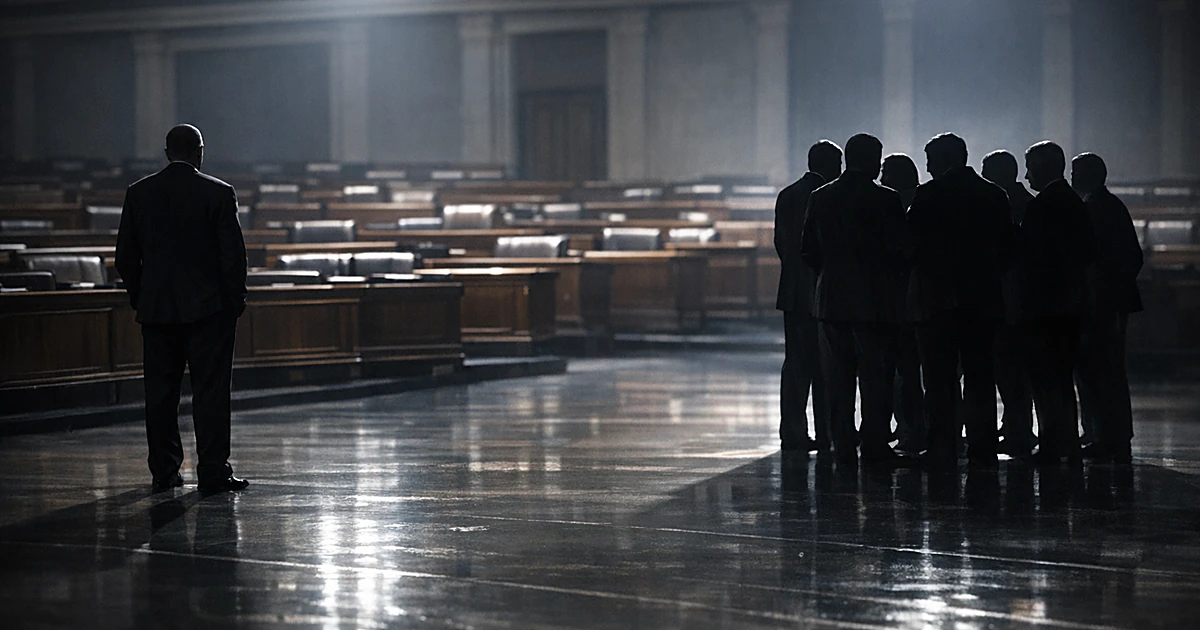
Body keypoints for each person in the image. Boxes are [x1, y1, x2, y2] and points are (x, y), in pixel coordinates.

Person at [116, 124, 250, 494]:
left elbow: (125, 257)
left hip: (158, 311)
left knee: (159, 395)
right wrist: (234, 302)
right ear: (200, 152)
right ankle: (212, 471)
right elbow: (232, 257)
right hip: (209, 312)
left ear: (166, 152)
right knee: (211, 392)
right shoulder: (219, 193)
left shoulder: (139, 193)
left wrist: (141, 297)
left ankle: (164, 471)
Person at [800, 133, 910, 465]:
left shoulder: (820, 197)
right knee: (876, 375)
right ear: (874, 161)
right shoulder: (887, 200)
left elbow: (808, 250)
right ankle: (875, 443)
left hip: (833, 298)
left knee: (838, 375)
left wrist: (831, 274)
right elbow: (900, 251)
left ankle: (842, 444)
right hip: (876, 300)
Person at [906, 133, 1014, 469]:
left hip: (937, 299)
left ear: (943, 160)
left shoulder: (928, 195)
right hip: (981, 300)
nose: (926, 167)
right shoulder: (994, 194)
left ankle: (943, 446)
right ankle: (982, 446)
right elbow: (1008, 250)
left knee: (939, 379)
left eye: (930, 160)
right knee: (980, 375)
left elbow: (911, 247)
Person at [1020, 141, 1095, 464]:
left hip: (1046, 305)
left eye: (1030, 167)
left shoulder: (1044, 205)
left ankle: (1053, 442)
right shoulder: (1073, 202)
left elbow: (1031, 258)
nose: (1026, 175)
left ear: (1042, 168)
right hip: (1070, 303)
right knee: (1062, 377)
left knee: (1047, 377)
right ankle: (1066, 441)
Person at [1071, 152, 1143, 464]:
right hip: (1111, 303)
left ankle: (1105, 435)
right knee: (1106, 371)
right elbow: (1133, 258)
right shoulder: (1111, 206)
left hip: (1100, 304)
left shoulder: (1093, 210)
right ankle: (1109, 434)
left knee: (1099, 372)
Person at [775, 141, 842, 453]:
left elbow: (781, 244)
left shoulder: (787, 195)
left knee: (796, 364)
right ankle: (827, 432)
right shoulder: (832, 196)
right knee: (825, 366)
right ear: (832, 165)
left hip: (793, 291)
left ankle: (793, 432)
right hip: (823, 290)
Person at [981, 150, 1037, 457]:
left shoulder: (1004, 205)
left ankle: (1016, 430)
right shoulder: (1027, 204)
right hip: (1020, 298)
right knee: (1015, 372)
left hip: (1007, 298)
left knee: (1008, 369)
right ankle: (1017, 427)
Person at [880, 153, 926, 455]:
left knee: (904, 374)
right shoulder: (919, 202)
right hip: (918, 300)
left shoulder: (900, 208)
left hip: (905, 303)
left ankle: (913, 431)